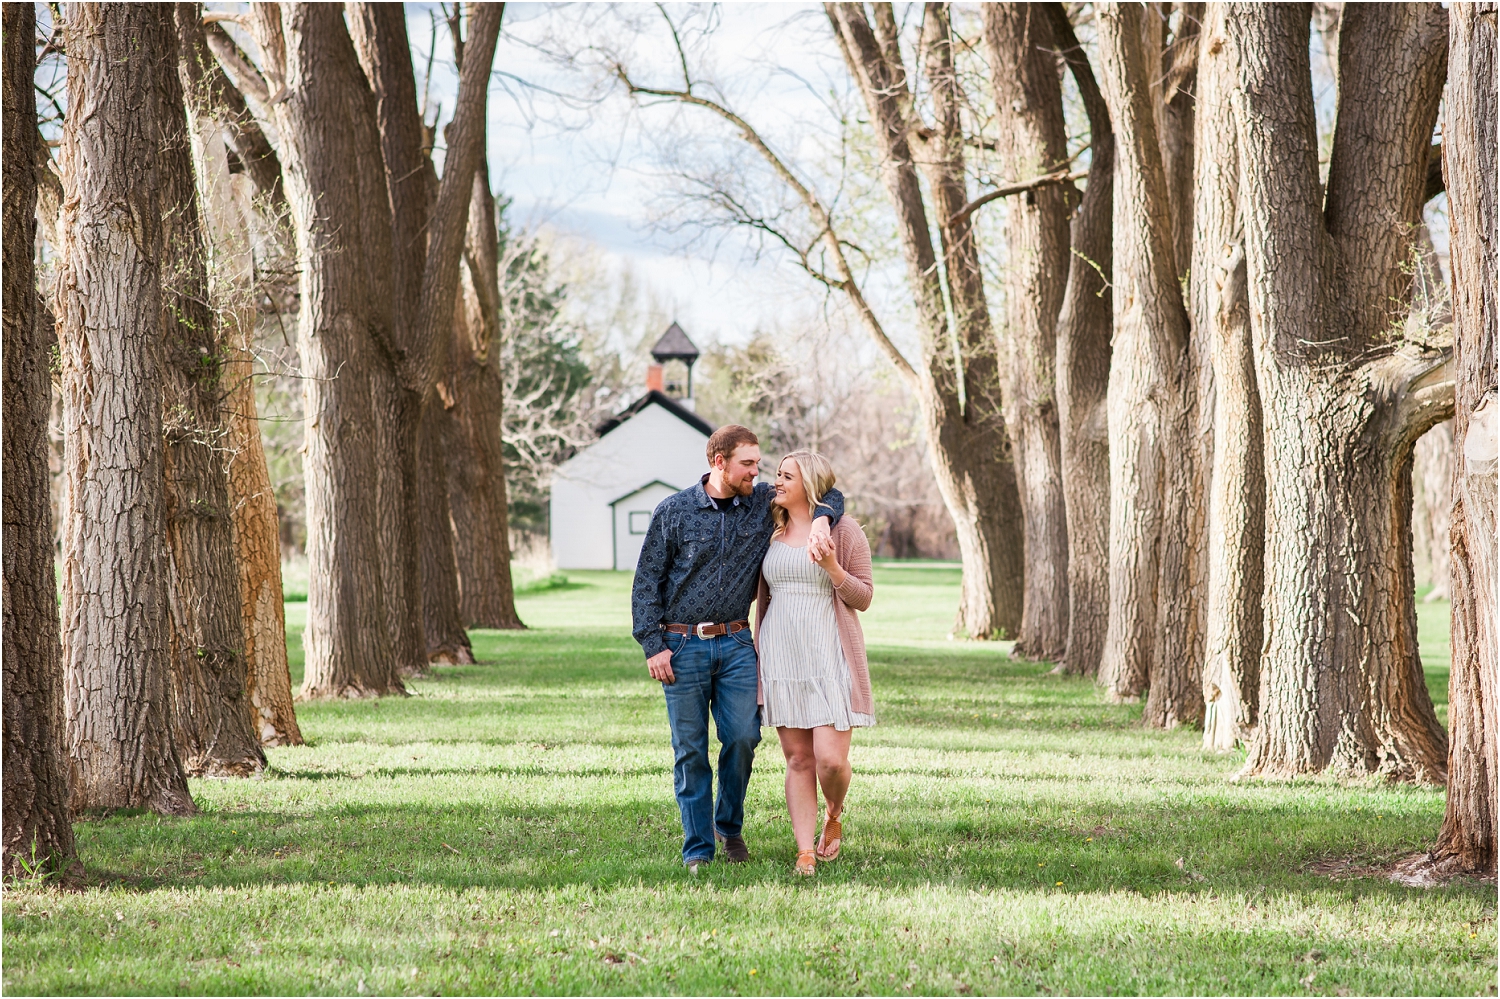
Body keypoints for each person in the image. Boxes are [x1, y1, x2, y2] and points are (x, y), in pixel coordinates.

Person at [632, 425, 842, 872]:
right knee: (690, 749)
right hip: (680, 644)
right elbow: (646, 582)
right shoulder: (674, 511)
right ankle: (698, 851)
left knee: (744, 738)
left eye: (759, 464)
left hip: (736, 643)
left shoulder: (760, 504)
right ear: (718, 462)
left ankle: (728, 826)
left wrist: (824, 518)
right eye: (747, 464)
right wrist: (654, 646)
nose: (758, 473)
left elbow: (828, 493)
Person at [755, 450, 874, 876]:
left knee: (831, 760)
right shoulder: (769, 525)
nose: (776, 483)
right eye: (776, 475)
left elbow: (864, 597)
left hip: (830, 654)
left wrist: (832, 566)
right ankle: (804, 850)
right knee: (798, 759)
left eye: (786, 476)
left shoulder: (845, 532)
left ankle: (834, 812)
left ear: (808, 484)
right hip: (781, 654)